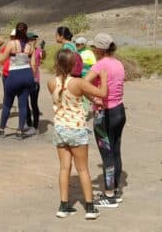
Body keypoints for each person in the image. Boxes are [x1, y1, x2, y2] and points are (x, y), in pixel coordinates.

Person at [48, 49, 108, 220]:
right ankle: (90, 207)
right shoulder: (79, 82)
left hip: (60, 128)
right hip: (76, 129)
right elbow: (102, 93)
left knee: (64, 168)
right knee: (82, 169)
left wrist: (89, 97)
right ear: (74, 65)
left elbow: (68, 97)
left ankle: (63, 205)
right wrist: (103, 77)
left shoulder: (52, 82)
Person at [85, 33, 126, 208]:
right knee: (115, 151)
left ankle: (109, 196)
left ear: (99, 49)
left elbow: (83, 83)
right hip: (119, 111)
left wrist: (92, 98)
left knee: (106, 155)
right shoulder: (118, 63)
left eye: (93, 47)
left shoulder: (100, 65)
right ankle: (115, 190)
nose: (92, 50)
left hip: (104, 114)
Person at [0, 23, 36, 138]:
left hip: (14, 75)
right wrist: (34, 79)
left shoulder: (11, 44)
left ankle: (1, 129)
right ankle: (20, 131)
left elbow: (1, 59)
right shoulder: (30, 46)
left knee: (7, 103)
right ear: (26, 31)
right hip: (27, 75)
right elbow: (33, 65)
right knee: (23, 104)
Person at [25, 32, 43, 133]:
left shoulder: (38, 51)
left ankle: (35, 126)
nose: (34, 41)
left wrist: (43, 50)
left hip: (35, 80)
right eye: (31, 39)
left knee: (34, 103)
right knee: (25, 103)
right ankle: (28, 123)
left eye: (35, 39)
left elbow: (43, 56)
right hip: (25, 79)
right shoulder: (24, 51)